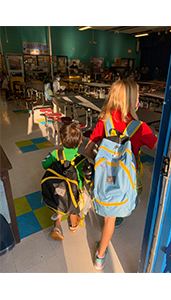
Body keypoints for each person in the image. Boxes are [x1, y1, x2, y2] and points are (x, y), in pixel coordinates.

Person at [84, 79, 157, 270]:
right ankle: (100, 256)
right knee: (111, 219)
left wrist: (103, 163)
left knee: (110, 201)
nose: (139, 99)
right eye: (138, 96)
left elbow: (88, 150)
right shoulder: (140, 127)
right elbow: (159, 148)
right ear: (132, 100)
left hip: (106, 176)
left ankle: (113, 212)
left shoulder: (103, 122)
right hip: (128, 179)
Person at [43, 122, 86, 241]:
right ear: (80, 142)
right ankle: (73, 226)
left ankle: (56, 227)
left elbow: (44, 165)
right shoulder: (80, 159)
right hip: (74, 191)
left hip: (57, 187)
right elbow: (85, 175)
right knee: (73, 209)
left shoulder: (55, 154)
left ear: (61, 140)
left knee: (59, 206)